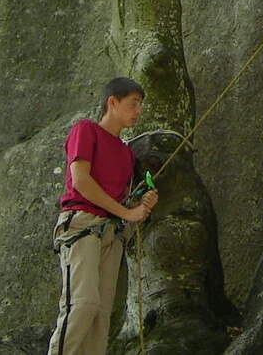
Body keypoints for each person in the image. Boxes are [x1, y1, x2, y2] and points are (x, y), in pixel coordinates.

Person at [48, 77, 159, 355]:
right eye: (134, 104)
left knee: (100, 318)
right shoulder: (86, 130)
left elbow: (123, 200)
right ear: (113, 102)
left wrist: (142, 203)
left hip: (111, 234)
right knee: (82, 305)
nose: (138, 111)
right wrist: (127, 212)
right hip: (83, 225)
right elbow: (82, 180)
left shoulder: (126, 153)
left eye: (140, 106)